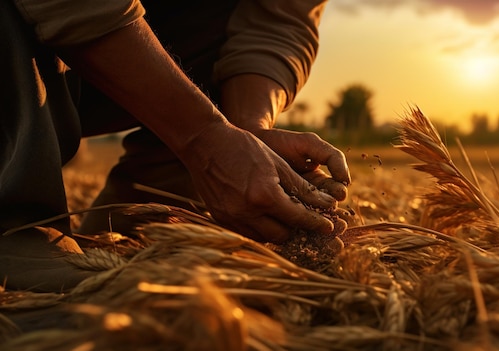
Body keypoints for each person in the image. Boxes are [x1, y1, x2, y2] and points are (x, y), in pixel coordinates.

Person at [0, 0, 351, 292]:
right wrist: (203, 135)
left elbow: (280, 19)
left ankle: (147, 218)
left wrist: (246, 130)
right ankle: (14, 228)